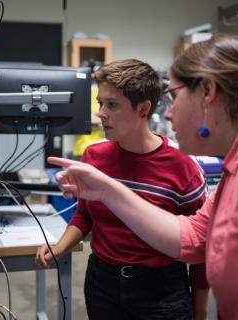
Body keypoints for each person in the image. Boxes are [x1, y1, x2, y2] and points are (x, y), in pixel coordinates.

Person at [48, 35, 238, 320]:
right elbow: (192, 239)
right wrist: (107, 190)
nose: (167, 114)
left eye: (173, 97)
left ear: (207, 91)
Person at [36, 59, 210, 319]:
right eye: (100, 104)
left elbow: (199, 249)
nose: (101, 114)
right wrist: (61, 246)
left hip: (160, 290)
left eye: (112, 105)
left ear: (143, 109)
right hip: (102, 283)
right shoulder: (94, 156)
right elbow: (85, 213)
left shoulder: (182, 165)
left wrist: (200, 311)